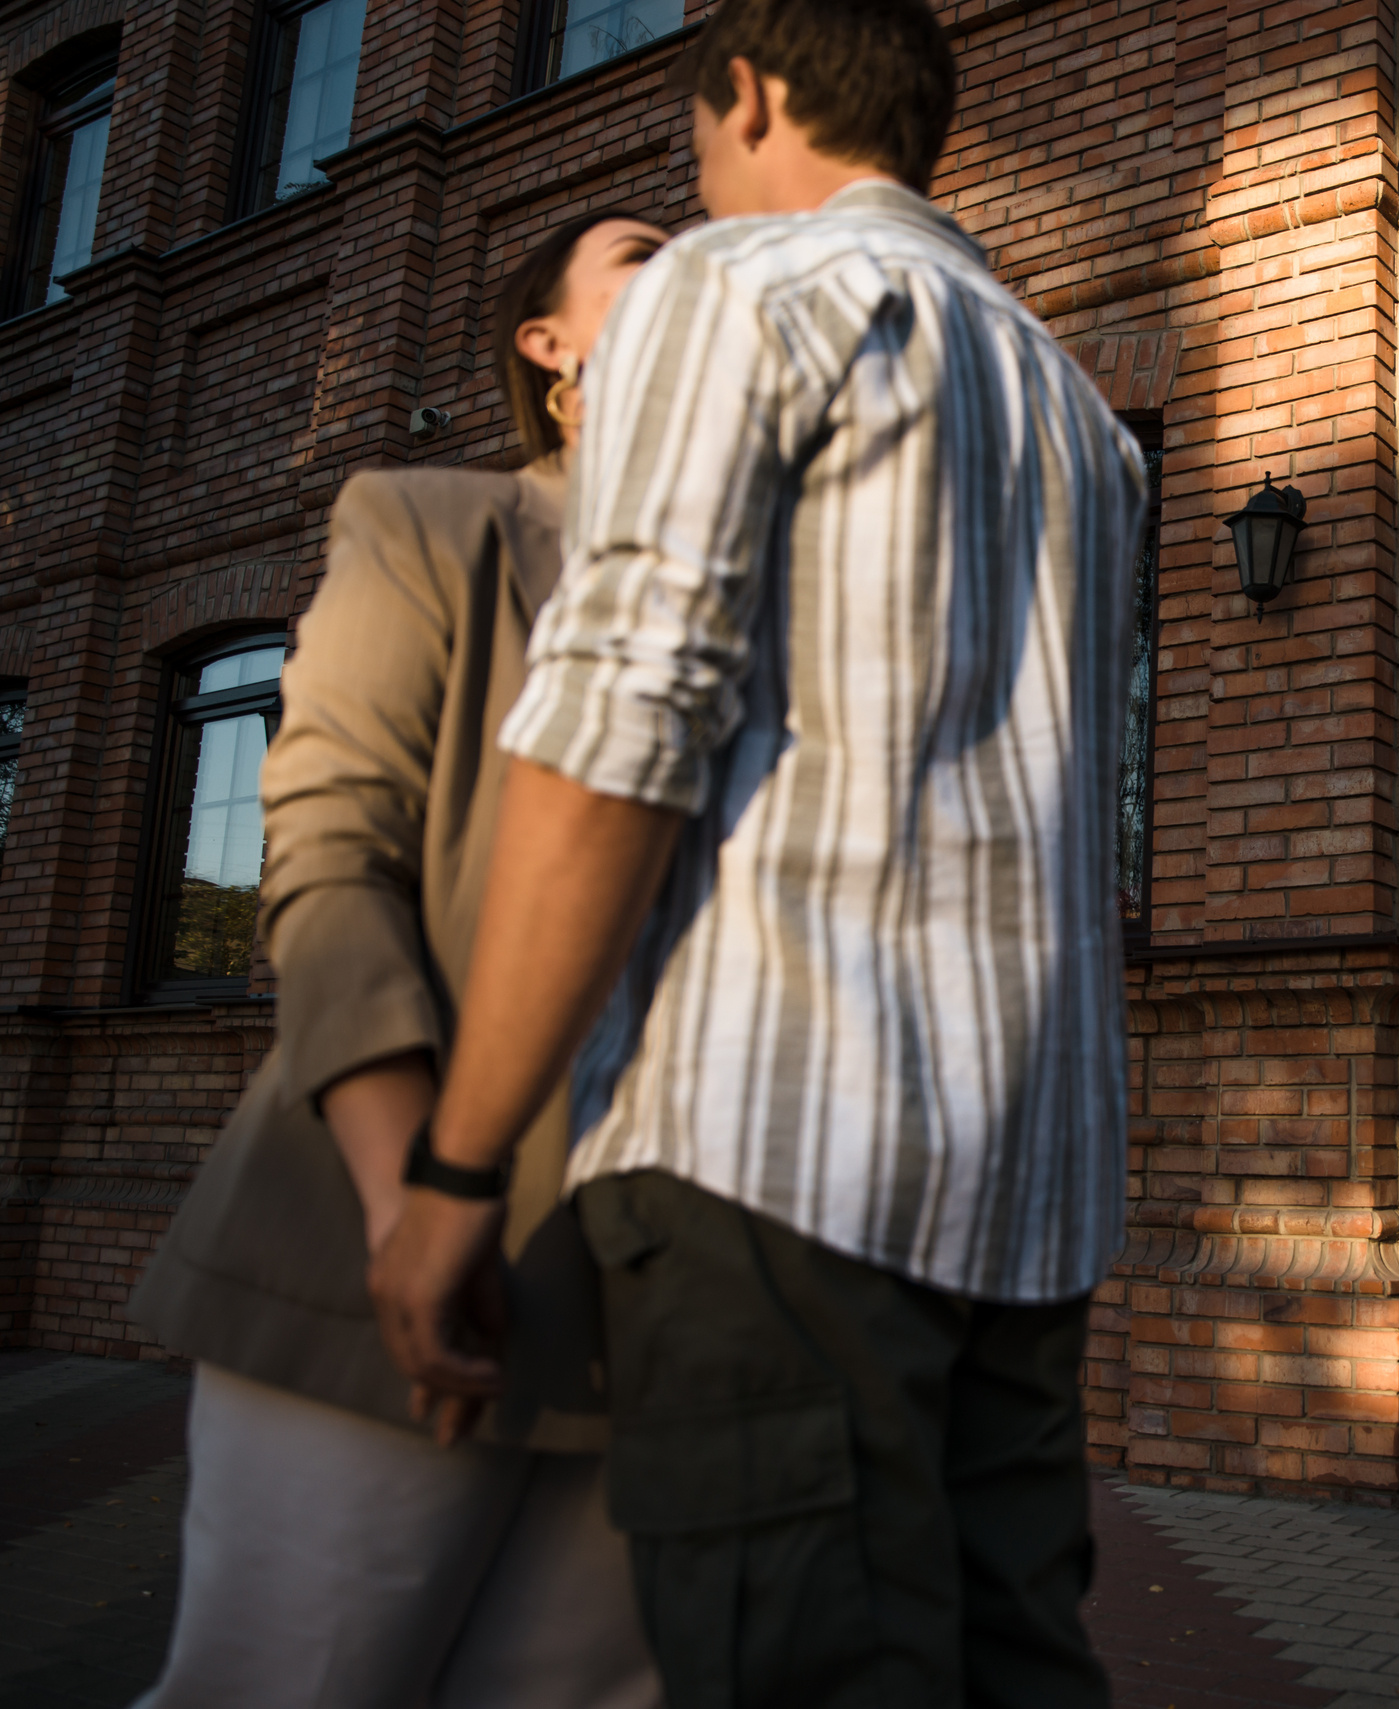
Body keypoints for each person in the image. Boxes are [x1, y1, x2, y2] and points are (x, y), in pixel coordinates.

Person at [366, 1, 1150, 1703]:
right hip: (1026, 1188)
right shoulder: (1079, 410)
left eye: (696, 139)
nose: (696, 181)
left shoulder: (744, 287)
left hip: (784, 1160)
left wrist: (457, 1167)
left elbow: (619, 736)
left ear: (749, 95)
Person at [127, 210, 671, 1709]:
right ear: (547, 346)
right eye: (643, 252)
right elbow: (324, 858)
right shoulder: (438, 524)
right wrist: (409, 1203)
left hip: (666, 1313)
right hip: (396, 1257)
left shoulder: (785, 600)